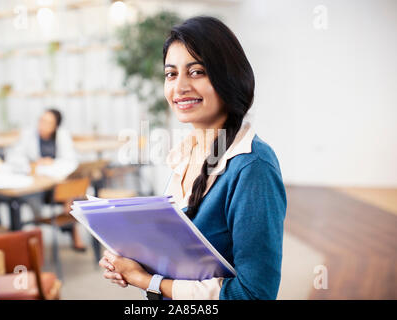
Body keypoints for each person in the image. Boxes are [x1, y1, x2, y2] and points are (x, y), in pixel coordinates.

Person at [99, 16, 287, 300]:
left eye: (197, 72)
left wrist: (148, 281)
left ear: (229, 76)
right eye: (171, 74)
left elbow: (255, 294)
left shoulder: (252, 166)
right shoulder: (185, 154)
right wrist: (131, 259)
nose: (180, 86)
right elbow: (179, 259)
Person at [6, 108, 86, 251]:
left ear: (55, 126)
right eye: (41, 120)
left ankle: (68, 225)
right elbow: (13, 157)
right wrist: (33, 164)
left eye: (48, 122)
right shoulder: (28, 134)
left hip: (57, 185)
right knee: (37, 197)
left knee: (71, 189)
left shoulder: (62, 136)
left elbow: (71, 160)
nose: (42, 124)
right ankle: (52, 230)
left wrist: (52, 163)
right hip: (36, 184)